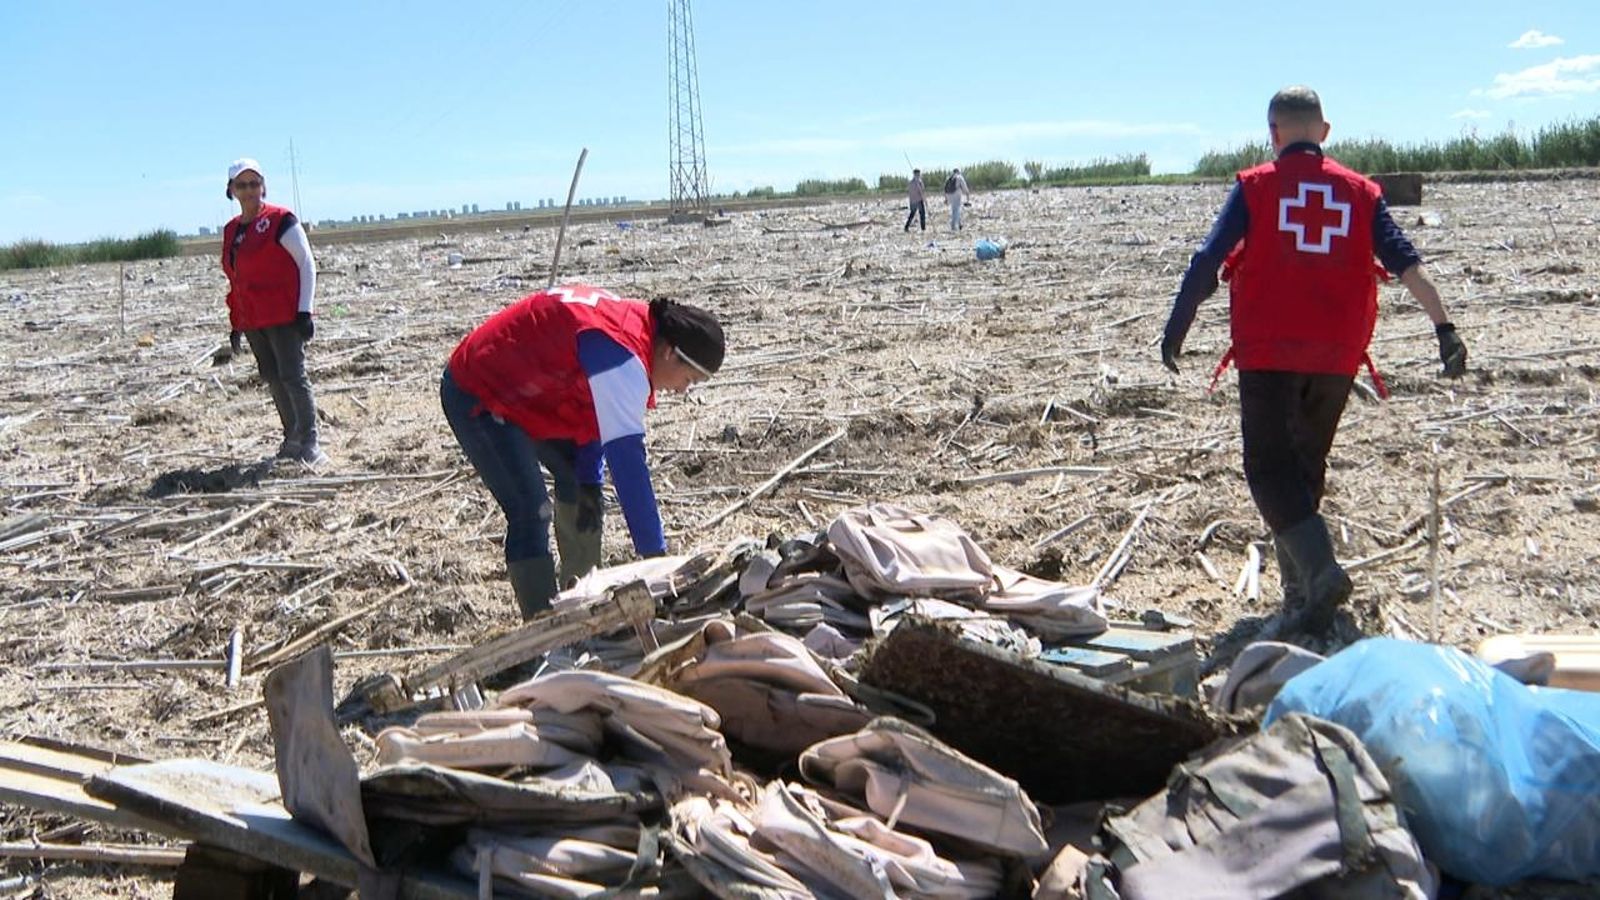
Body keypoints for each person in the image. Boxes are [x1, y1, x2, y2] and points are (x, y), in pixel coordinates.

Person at [1159, 86, 1469, 634]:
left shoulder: (1256, 187)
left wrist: (1178, 324)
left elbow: (1208, 259)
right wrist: (1444, 329)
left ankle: (1321, 573)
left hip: (1269, 349)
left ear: (1273, 134)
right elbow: (1406, 263)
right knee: (1303, 470)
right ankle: (1300, 597)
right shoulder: (1361, 193)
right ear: (1324, 132)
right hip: (1336, 354)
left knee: (1268, 470)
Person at [442, 284, 726, 619]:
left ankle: (581, 609)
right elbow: (629, 469)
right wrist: (658, 562)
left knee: (583, 492)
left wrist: (587, 484)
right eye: (689, 379)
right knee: (531, 510)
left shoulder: (635, 332)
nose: (682, 390)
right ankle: (544, 632)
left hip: (535, 394)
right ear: (669, 353)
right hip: (478, 389)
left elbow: (592, 416)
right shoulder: (621, 355)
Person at [221, 158, 325, 465]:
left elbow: (306, 263)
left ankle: (310, 442)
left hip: (283, 315)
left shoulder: (280, 220)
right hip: (253, 318)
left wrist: (305, 311)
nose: (249, 190)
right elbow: (237, 277)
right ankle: (291, 438)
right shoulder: (231, 230)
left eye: (254, 183)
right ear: (231, 190)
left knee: (293, 376)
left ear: (263, 186)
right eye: (242, 185)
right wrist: (237, 322)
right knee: (272, 377)